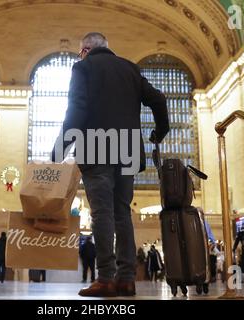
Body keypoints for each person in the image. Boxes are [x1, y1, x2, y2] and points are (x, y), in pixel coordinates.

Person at [51, 32, 169, 297]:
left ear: (86, 49)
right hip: (127, 149)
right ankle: (126, 279)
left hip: (96, 147)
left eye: (81, 52)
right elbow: (158, 99)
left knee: (102, 213)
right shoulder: (130, 68)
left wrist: (60, 148)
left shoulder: (83, 67)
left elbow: (76, 108)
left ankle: (105, 279)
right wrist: (160, 131)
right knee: (122, 214)